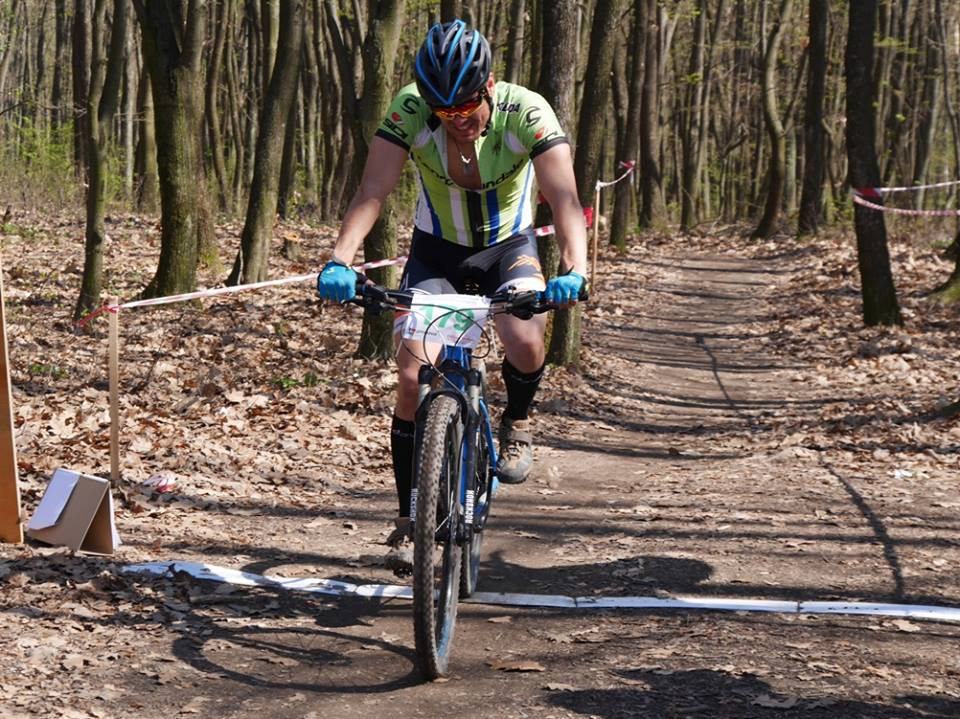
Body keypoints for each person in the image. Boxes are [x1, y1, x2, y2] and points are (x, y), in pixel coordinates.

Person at [317, 19, 588, 574]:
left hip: (507, 249)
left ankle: (516, 420)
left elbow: (565, 200)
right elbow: (373, 191)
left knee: (524, 339)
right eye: (445, 112)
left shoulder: (527, 111)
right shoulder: (412, 111)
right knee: (414, 375)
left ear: (488, 86)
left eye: (465, 107)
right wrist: (340, 258)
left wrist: (576, 269)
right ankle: (410, 515)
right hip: (436, 252)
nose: (457, 121)